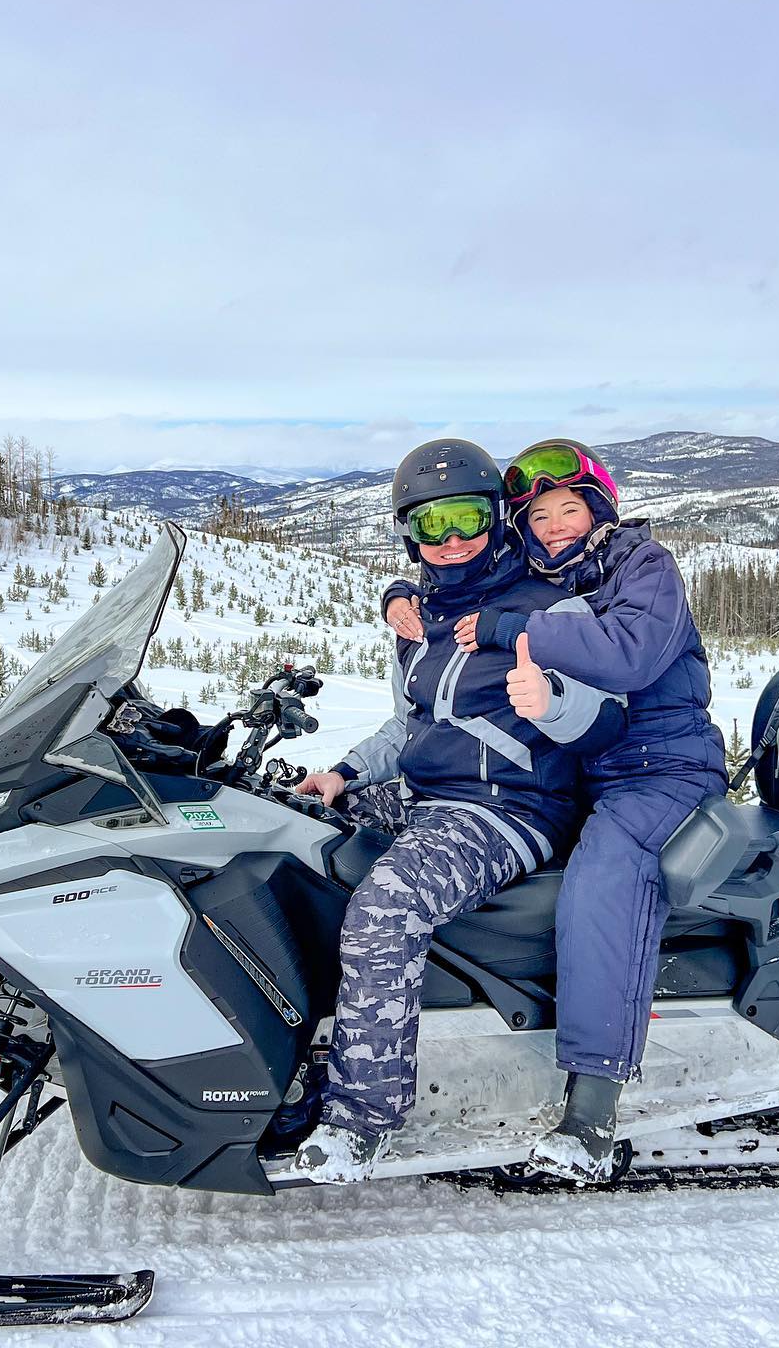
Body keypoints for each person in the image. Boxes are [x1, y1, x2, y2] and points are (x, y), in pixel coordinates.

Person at [385, 439, 725, 1182]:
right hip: (583, 769)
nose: (554, 526)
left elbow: (629, 653)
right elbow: (464, 576)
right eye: (537, 516)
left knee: (604, 878)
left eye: (569, 508)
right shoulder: (549, 574)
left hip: (657, 769)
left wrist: (514, 631)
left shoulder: (644, 566)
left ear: (599, 507)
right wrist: (400, 596)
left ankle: (593, 1107)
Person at [292, 438, 626, 1183]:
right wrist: (344, 774)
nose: (452, 541)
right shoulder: (419, 615)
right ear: (407, 531)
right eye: (432, 523)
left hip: (508, 810)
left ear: (499, 518)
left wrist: (557, 703)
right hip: (425, 795)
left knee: (386, 907)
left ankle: (362, 1117)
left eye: (468, 518)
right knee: (290, 832)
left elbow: (607, 718)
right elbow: (414, 722)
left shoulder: (547, 608)